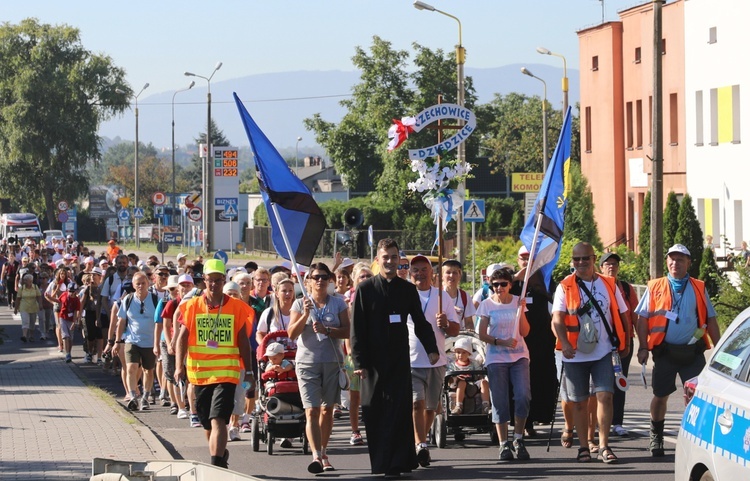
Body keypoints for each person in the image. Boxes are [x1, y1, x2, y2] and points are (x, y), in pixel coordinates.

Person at [351, 238, 439, 478]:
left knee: (400, 412)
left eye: (393, 257)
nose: (389, 262)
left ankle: (399, 462)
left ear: (399, 259)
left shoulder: (407, 289)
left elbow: (420, 323)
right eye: (385, 257)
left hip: (400, 361)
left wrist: (432, 349)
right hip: (373, 364)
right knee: (376, 412)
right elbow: (357, 328)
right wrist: (359, 362)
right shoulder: (365, 289)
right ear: (378, 260)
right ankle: (381, 463)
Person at [635, 244, 720, 457]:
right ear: (667, 262)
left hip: (692, 352)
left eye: (680, 260)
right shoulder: (655, 286)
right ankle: (656, 437)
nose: (675, 263)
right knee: (660, 395)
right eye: (672, 259)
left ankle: (697, 439)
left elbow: (710, 319)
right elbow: (642, 318)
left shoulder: (698, 287)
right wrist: (643, 347)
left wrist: (720, 349)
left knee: (698, 398)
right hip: (664, 352)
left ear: (688, 263)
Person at [551, 242, 629, 464]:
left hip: (604, 352)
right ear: (572, 262)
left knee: (605, 395)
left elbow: (623, 314)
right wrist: (564, 342)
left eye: (585, 258)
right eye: (577, 259)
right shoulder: (564, 287)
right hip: (575, 354)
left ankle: (604, 445)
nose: (581, 263)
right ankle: (584, 446)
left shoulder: (609, 285)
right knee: (579, 402)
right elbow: (557, 318)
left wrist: (627, 342)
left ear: (594, 259)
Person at [174, 259, 254, 469]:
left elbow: (243, 340)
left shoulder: (236, 307)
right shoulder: (192, 306)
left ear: (224, 280)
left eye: (218, 280)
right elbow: (182, 337)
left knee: (219, 419)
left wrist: (250, 371)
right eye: (210, 280)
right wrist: (178, 366)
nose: (214, 285)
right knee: (207, 423)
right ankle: (220, 452)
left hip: (226, 374)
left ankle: (216, 465)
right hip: (199, 374)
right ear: (204, 281)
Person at [289, 262, 350, 473]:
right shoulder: (299, 304)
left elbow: (347, 332)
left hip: (332, 363)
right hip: (307, 364)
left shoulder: (339, 303)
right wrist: (306, 315)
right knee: (312, 410)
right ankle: (315, 456)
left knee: (327, 410)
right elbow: (291, 334)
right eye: (316, 277)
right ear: (308, 281)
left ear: (330, 280)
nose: (321, 281)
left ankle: (324, 451)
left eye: (324, 277)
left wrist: (328, 330)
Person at [408, 254, 459, 466]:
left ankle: (422, 441)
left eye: (424, 269)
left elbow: (455, 329)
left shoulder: (442, 297)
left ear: (432, 273)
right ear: (411, 274)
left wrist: (446, 322)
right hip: (411, 361)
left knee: (431, 407)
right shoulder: (406, 295)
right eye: (416, 270)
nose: (420, 273)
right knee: (416, 404)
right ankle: (420, 444)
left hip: (436, 361)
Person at [477, 267, 531, 461]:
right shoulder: (486, 305)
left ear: (510, 285)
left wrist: (521, 311)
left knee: (523, 395)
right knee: (500, 400)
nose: (499, 288)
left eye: (503, 284)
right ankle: (503, 443)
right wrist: (501, 342)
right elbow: (482, 334)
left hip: (519, 357)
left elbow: (525, 332)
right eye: (495, 285)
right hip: (496, 358)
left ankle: (518, 438)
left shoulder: (518, 302)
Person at [509, 245, 557, 437]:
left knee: (541, 381)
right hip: (518, 342)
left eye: (530, 257)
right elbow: (497, 294)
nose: (526, 261)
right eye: (523, 257)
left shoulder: (545, 280)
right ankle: (522, 422)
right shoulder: (511, 281)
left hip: (542, 341)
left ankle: (537, 418)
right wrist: (515, 280)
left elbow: (555, 301)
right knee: (520, 384)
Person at [598, 252, 637, 437]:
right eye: (607, 264)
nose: (611, 267)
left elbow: (635, 316)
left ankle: (617, 422)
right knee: (600, 384)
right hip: (600, 342)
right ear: (601, 268)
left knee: (620, 381)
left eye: (614, 264)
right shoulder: (596, 287)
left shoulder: (627, 289)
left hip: (623, 342)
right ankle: (599, 421)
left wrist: (642, 344)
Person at [113, 272, 160, 411]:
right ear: (133, 285)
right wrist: (117, 341)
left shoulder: (155, 300)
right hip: (132, 340)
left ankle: (145, 397)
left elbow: (159, 323)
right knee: (131, 368)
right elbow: (121, 322)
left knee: (148, 370)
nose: (140, 286)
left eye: (143, 283)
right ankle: (133, 396)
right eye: (137, 283)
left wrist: (157, 343)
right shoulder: (127, 300)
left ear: (148, 284)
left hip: (150, 342)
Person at [448, 336, 490, 415]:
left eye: (464, 352)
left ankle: (486, 406)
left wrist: (480, 377)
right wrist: (455, 377)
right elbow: (449, 378)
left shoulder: (474, 363)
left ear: (469, 353)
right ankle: (459, 406)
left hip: (474, 383)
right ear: (455, 353)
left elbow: (480, 373)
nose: (460, 355)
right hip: (458, 385)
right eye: (458, 352)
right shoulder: (452, 365)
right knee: (462, 383)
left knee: (484, 382)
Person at [442, 259, 476, 331]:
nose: (451, 275)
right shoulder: (437, 295)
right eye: (448, 272)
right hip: (440, 337)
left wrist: (469, 333)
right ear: (442, 276)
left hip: (458, 338)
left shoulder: (465, 296)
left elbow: (469, 322)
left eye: (455, 273)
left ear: (459, 276)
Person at [15, 273, 43, 342]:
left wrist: (40, 304)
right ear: (25, 281)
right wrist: (16, 308)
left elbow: (39, 297)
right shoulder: (22, 288)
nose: (30, 282)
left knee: (32, 322)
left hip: (33, 307)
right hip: (24, 307)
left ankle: (31, 335)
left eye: (31, 281)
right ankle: (24, 335)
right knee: (25, 321)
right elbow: (18, 299)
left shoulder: (35, 287)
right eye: (28, 281)